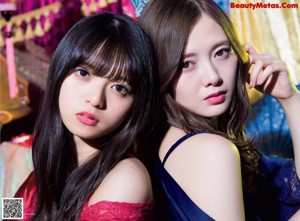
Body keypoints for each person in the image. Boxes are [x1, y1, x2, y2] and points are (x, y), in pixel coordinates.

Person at [137, 0, 300, 220]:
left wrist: (289, 98)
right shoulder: (211, 151)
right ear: (159, 71)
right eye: (186, 64)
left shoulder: (165, 142)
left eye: (221, 52)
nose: (213, 76)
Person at [14, 12, 159, 220]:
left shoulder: (127, 179)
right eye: (84, 73)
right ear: (59, 71)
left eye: (119, 88)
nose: (95, 99)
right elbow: (11, 211)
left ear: (137, 104)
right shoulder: (50, 164)